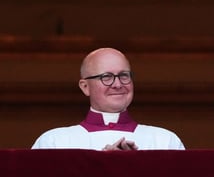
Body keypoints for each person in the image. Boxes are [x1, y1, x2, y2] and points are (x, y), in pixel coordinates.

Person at [32, 47, 185, 150]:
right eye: (106, 77)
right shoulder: (54, 142)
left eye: (124, 75)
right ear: (85, 87)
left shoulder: (165, 141)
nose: (117, 84)